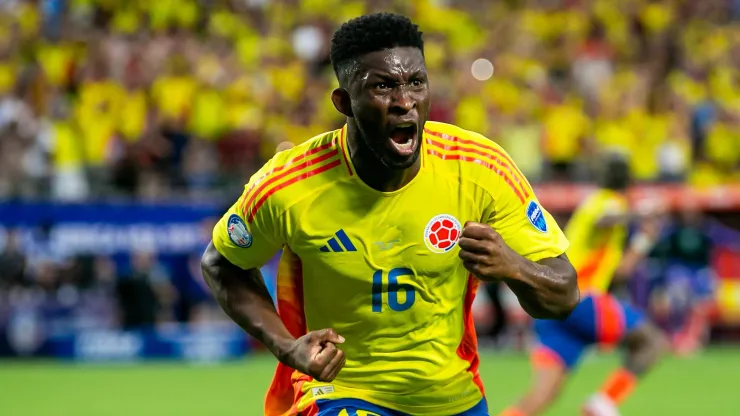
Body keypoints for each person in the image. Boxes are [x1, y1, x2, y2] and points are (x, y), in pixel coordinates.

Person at [201, 13, 579, 416]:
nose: (405, 102)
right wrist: (284, 344)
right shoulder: (288, 186)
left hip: (452, 398)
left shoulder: (479, 169)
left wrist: (513, 267)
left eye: (416, 82)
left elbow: (564, 294)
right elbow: (222, 265)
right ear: (344, 102)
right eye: (383, 86)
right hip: (342, 390)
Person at [499, 155, 666, 416]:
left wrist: (644, 239)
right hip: (580, 300)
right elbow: (605, 218)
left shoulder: (596, 204)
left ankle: (600, 405)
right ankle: (603, 402)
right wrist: (640, 212)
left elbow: (620, 271)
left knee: (540, 397)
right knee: (651, 342)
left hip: (553, 308)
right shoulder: (606, 203)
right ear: (629, 182)